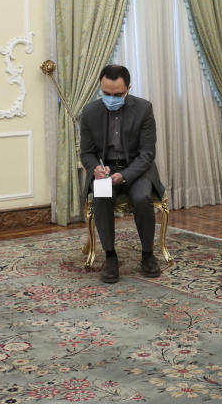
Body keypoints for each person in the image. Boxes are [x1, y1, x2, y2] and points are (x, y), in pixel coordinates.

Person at [79, 64, 164, 283]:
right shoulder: (89, 112)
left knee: (142, 198)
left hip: (137, 169)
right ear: (101, 88)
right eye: (106, 94)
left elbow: (147, 154)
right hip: (106, 170)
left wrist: (125, 175)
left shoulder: (144, 109)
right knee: (102, 197)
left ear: (128, 89)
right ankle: (110, 256)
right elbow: (87, 153)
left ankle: (147, 255)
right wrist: (95, 168)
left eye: (117, 94)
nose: (111, 98)